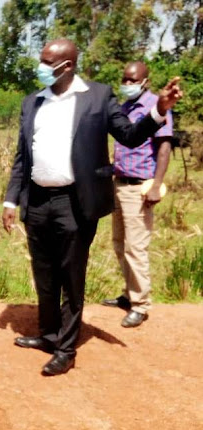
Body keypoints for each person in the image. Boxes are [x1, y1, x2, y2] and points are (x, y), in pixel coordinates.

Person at [1, 39, 182, 376]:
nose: (39, 67)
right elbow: (22, 157)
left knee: (71, 276)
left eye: (46, 61)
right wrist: (11, 198)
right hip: (37, 200)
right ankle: (49, 333)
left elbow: (129, 135)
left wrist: (159, 111)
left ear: (67, 65)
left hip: (74, 202)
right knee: (44, 274)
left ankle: (66, 349)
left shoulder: (98, 96)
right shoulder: (33, 102)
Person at [102, 61, 173, 328]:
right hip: (119, 182)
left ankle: (141, 305)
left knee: (136, 246)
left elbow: (164, 147)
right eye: (125, 79)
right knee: (119, 243)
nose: (127, 84)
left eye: (133, 80)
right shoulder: (125, 107)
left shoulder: (156, 106)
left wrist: (156, 185)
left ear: (145, 81)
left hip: (140, 185)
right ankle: (129, 294)